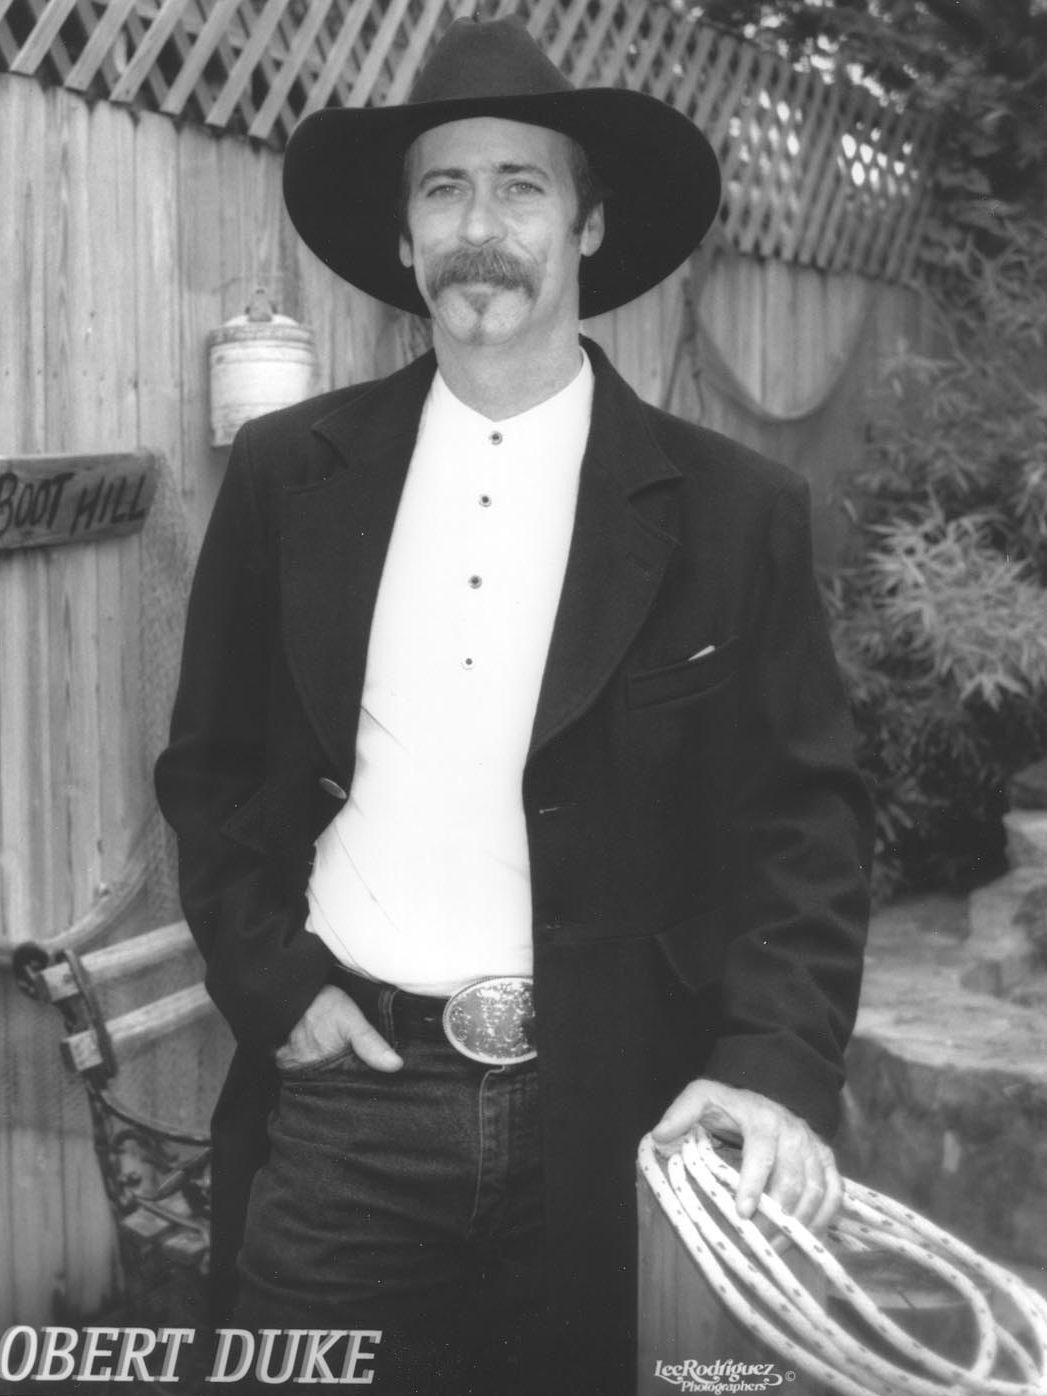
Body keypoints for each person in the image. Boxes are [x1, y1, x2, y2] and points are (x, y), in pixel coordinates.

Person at [155, 15, 872, 1396]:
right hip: (352, 1103)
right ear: (405, 235)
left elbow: (804, 823)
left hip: (621, 1106)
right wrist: (277, 987)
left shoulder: (733, 512)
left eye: (520, 186)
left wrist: (773, 1067)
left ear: (587, 225)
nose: (479, 227)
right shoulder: (290, 475)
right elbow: (212, 769)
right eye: (444, 189)